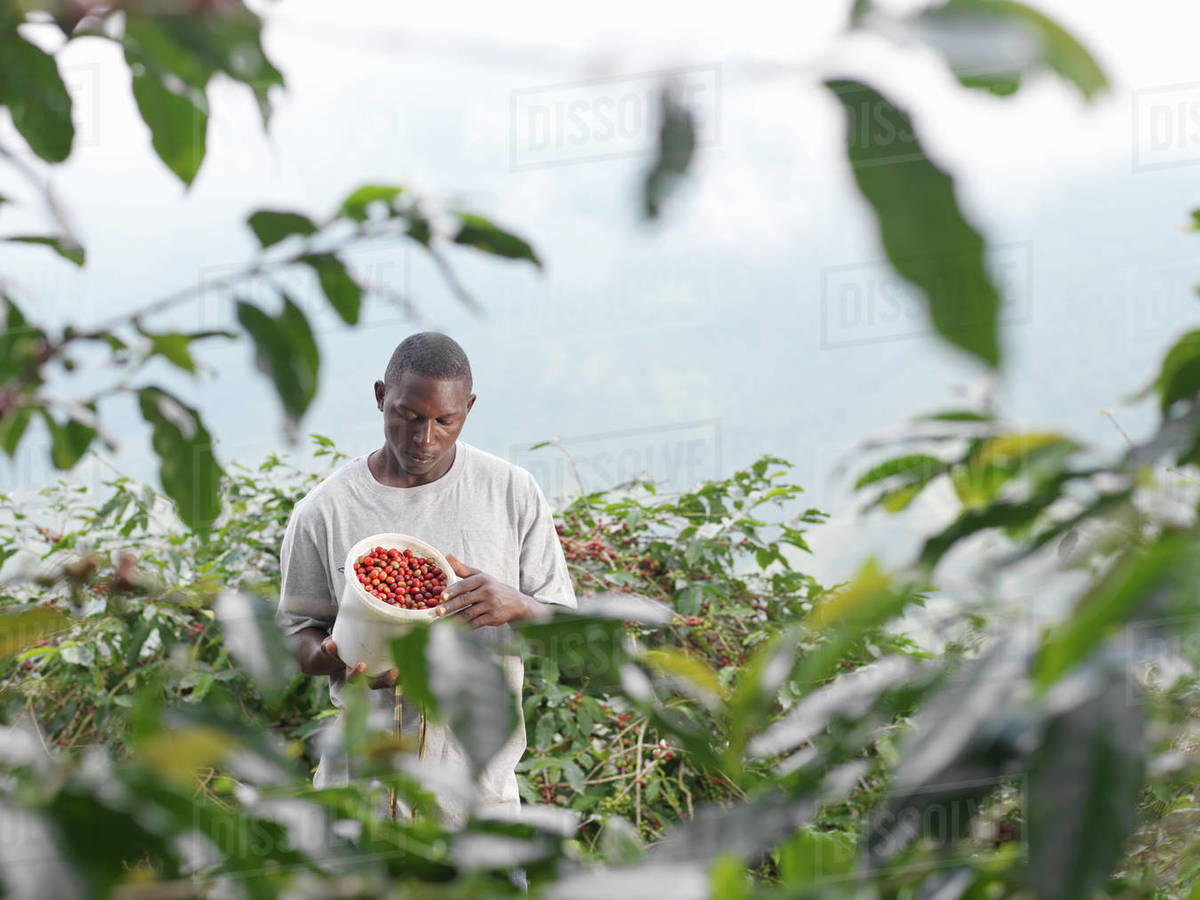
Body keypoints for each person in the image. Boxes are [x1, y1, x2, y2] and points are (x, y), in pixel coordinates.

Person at [275, 331, 577, 827]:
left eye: (445, 421)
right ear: (380, 397)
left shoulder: (511, 492)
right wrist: (335, 654)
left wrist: (519, 605)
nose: (425, 438)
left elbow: (569, 635)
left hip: (483, 811)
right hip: (359, 811)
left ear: (469, 408)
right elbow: (294, 638)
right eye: (409, 417)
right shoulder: (325, 510)